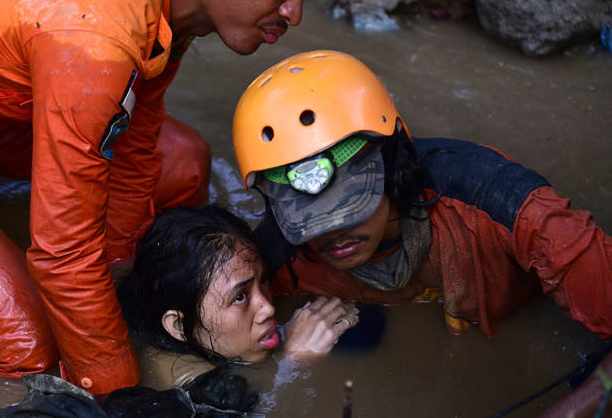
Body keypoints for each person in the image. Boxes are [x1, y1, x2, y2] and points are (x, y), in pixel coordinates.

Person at [0, 0, 327, 397]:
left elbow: (133, 151)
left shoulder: (162, 4)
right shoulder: (99, 37)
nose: (295, 11)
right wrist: (117, 395)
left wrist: (122, 286)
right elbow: (63, 253)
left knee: (183, 163)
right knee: (28, 351)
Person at [231, 50, 612, 414]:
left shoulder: (507, 209)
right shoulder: (275, 257)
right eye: (311, 220)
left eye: (350, 208)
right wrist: (291, 362)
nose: (334, 235)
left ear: (395, 165)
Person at [117, 204, 362, 389]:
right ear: (179, 326)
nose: (268, 308)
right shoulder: (186, 380)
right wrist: (292, 364)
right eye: (240, 297)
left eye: (263, 280)